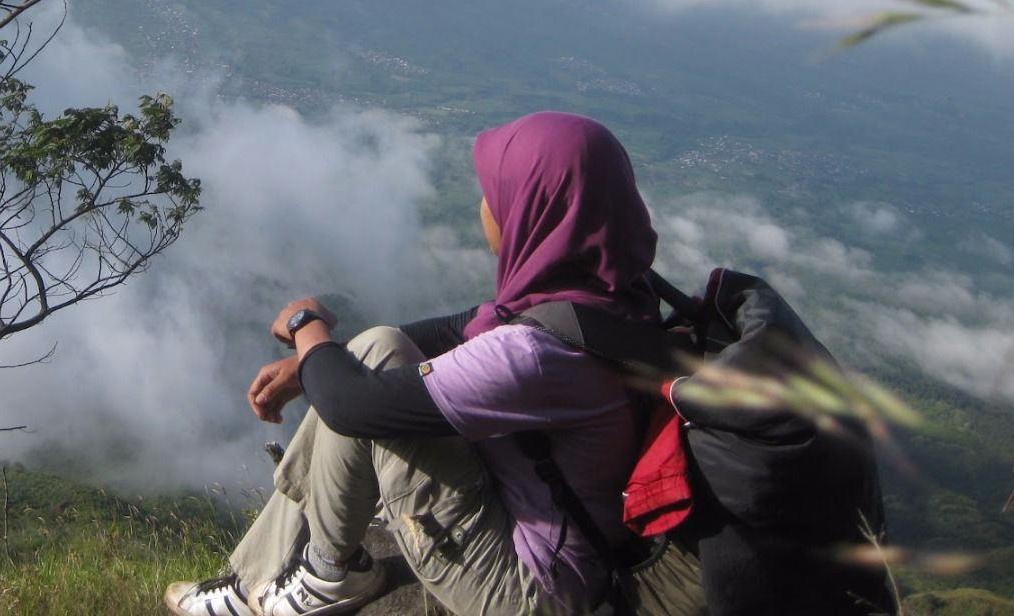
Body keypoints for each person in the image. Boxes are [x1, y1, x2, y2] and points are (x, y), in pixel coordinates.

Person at [165, 112, 665, 616]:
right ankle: (253, 577)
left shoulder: (536, 355)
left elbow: (352, 407)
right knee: (371, 353)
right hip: (558, 546)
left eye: (497, 194)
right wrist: (310, 363)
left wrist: (304, 326)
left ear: (531, 211)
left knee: (366, 373)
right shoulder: (609, 296)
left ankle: (329, 572)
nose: (485, 207)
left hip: (537, 594)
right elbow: (455, 328)